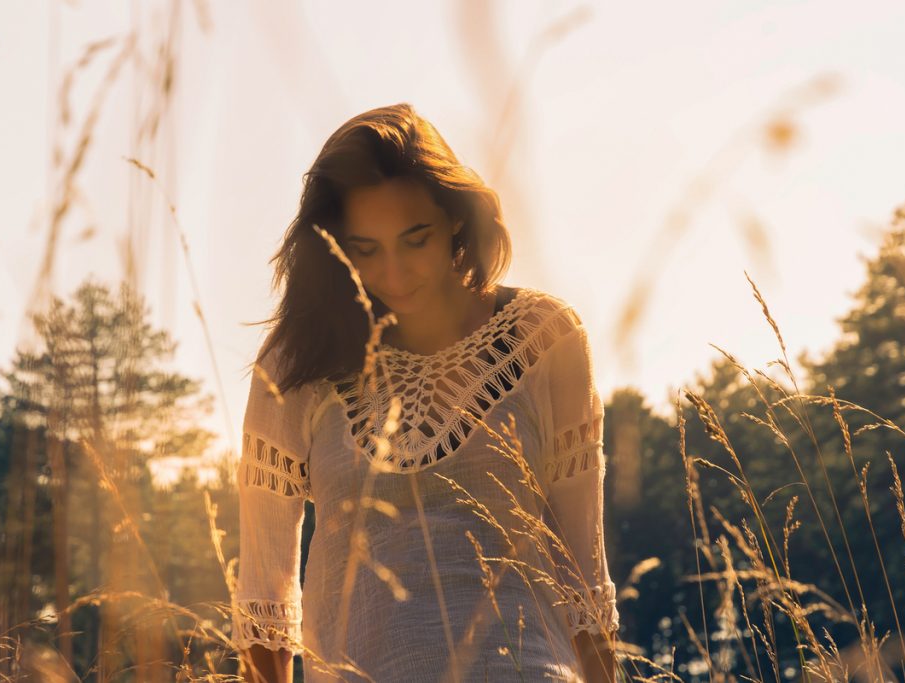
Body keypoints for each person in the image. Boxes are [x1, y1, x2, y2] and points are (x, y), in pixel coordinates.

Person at [233, 103, 620, 683]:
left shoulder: (543, 338)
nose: (394, 271)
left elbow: (583, 575)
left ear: (456, 220)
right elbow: (264, 602)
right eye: (366, 249)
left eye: (415, 240)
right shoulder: (295, 367)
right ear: (334, 246)